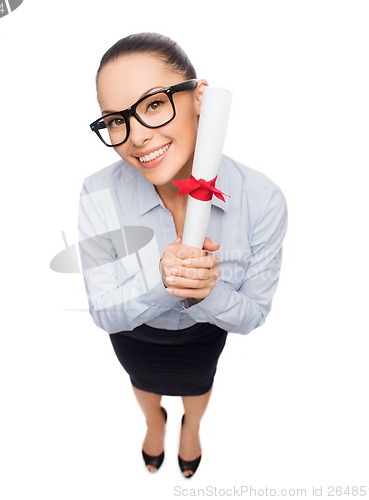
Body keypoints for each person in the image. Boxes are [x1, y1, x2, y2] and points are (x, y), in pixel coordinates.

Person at [78, 32, 287, 478]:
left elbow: (252, 316)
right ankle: (154, 423)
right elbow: (103, 312)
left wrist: (207, 293)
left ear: (199, 99)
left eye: (154, 104)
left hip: (202, 336)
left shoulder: (262, 199)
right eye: (115, 120)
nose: (135, 137)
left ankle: (192, 426)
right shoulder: (97, 195)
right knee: (143, 383)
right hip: (135, 334)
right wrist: (161, 282)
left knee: (198, 384)